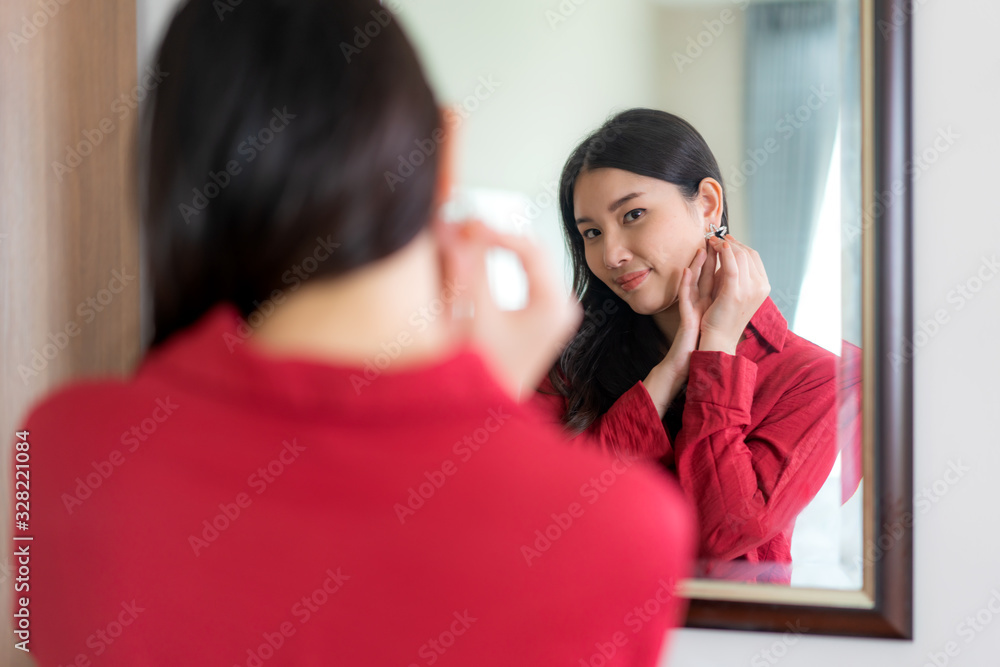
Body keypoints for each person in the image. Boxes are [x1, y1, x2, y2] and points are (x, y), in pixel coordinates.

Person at [8, 4, 695, 666]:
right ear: (444, 150)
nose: (612, 253)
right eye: (593, 231)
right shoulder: (627, 533)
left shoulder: (53, 452)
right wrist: (487, 409)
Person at [531, 109, 840, 584]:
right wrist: (667, 377)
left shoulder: (815, 378)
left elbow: (724, 535)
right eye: (591, 232)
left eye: (633, 215)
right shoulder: (562, 362)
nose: (610, 254)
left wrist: (715, 351)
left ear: (709, 204)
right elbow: (547, 519)